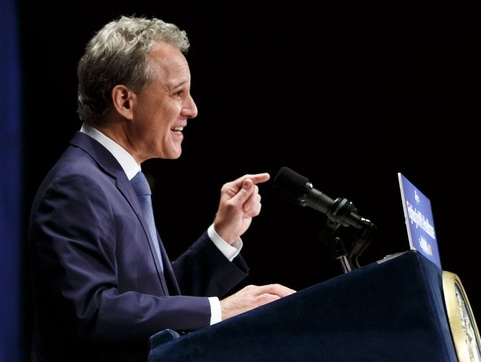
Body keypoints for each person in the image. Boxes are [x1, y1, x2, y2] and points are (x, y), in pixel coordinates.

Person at [27, 15, 296, 362]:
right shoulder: (77, 185)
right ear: (125, 101)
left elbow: (156, 300)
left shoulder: (114, 178)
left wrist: (221, 237)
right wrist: (219, 310)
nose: (192, 109)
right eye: (177, 92)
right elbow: (91, 311)